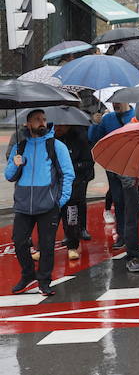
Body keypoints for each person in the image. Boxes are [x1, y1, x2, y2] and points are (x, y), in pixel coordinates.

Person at [6, 108, 74, 296]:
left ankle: (44, 280)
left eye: (43, 119)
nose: (42, 122)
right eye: (37, 119)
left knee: (46, 246)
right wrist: (15, 164)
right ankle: (28, 274)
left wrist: (60, 200)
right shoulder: (19, 147)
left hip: (48, 206)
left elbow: (68, 174)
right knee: (19, 242)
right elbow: (9, 176)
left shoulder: (56, 146)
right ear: (28, 124)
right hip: (23, 205)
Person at [89, 100, 134, 249]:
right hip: (113, 167)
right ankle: (122, 236)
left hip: (132, 167)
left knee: (133, 204)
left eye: (119, 101)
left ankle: (133, 237)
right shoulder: (107, 119)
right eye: (113, 101)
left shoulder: (135, 116)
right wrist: (95, 124)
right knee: (119, 202)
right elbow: (94, 139)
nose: (116, 104)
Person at [54, 120, 94, 261]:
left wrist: (71, 167)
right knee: (52, 215)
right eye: (56, 125)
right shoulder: (50, 139)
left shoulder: (80, 138)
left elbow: (88, 162)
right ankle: (44, 246)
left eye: (62, 125)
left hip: (75, 182)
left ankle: (73, 244)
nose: (58, 127)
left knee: (72, 215)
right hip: (55, 184)